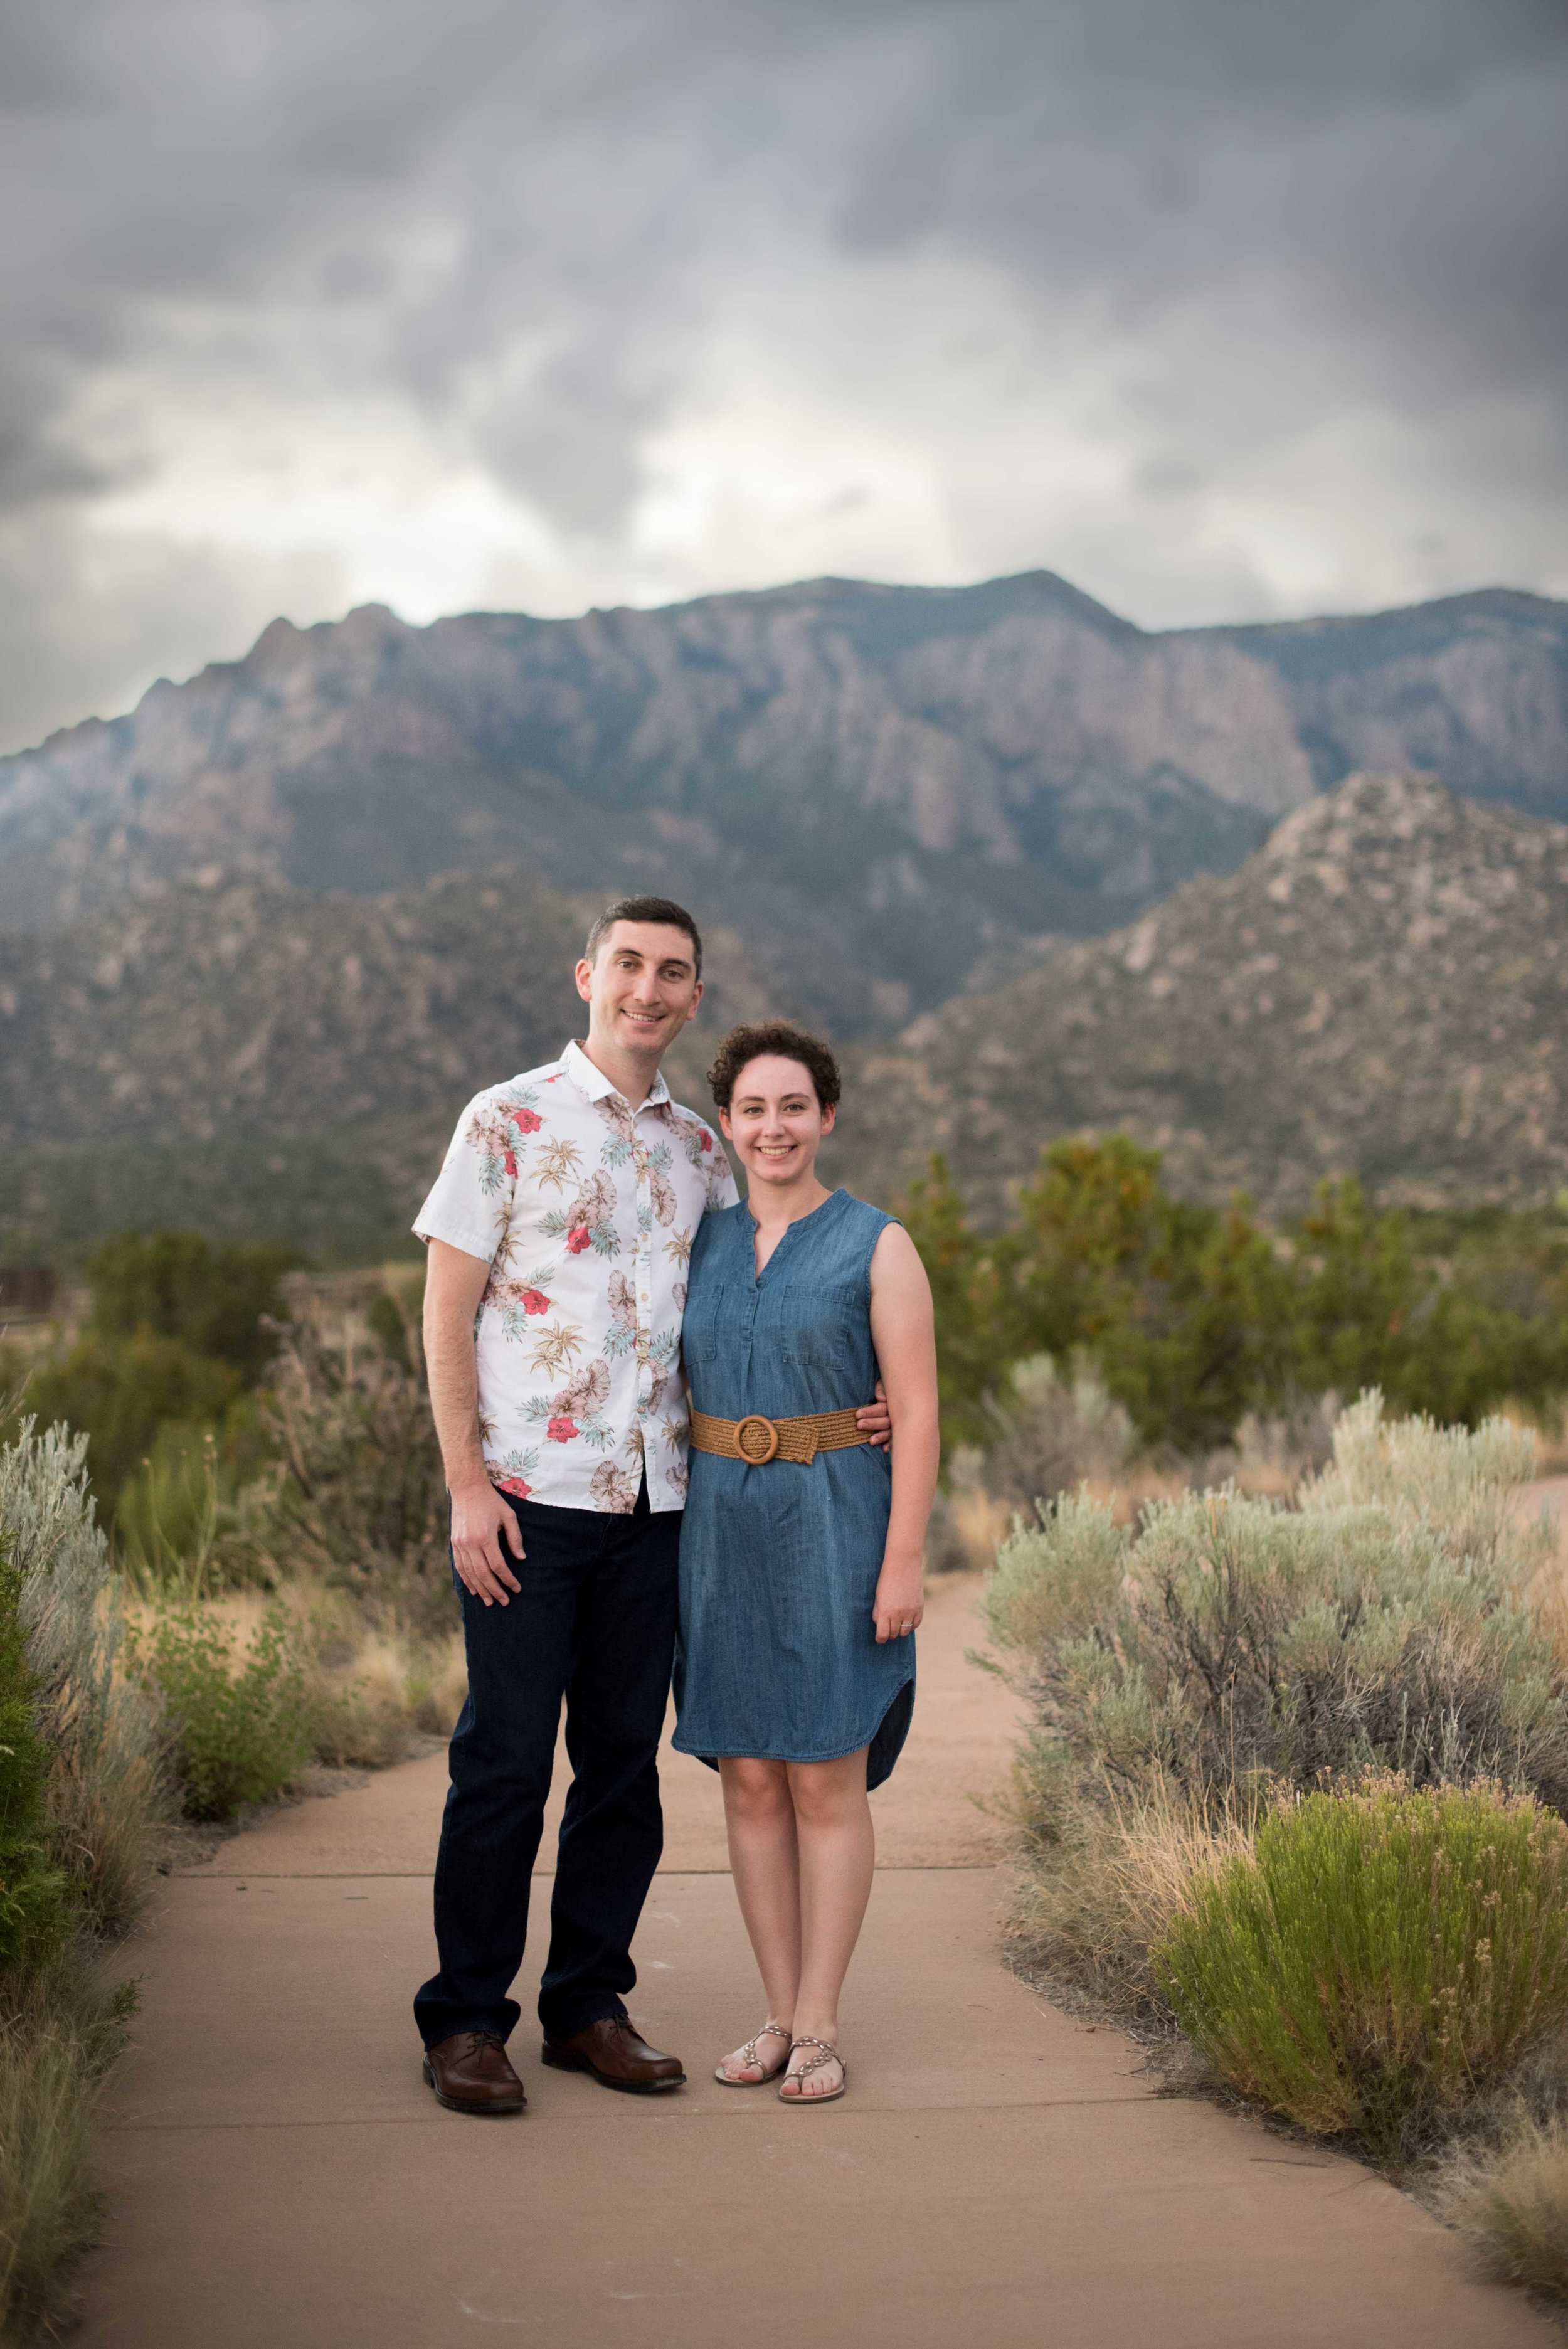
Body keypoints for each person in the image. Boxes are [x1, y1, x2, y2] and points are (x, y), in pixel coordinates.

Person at [409, 901, 890, 2115]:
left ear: (688, 994)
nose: (647, 988)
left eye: (671, 972)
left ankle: (584, 2006)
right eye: (627, 964)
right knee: (504, 1764)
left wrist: (849, 1406)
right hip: (528, 1501)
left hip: (662, 1508)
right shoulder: (502, 1120)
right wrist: (466, 1483)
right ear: (588, 974)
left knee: (621, 1769)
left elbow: (758, 1297)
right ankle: (467, 2017)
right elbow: (446, 1310)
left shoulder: (700, 1149)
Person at [673, 1022, 940, 2104]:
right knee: (747, 1775)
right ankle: (777, 2014)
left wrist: (904, 1559)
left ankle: (823, 2021)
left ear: (827, 1115)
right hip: (718, 1533)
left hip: (837, 1521)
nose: (772, 1127)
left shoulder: (879, 1243)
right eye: (751, 1109)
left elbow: (915, 1413)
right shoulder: (698, 1241)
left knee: (827, 1773)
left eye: (793, 1106)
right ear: (726, 1125)